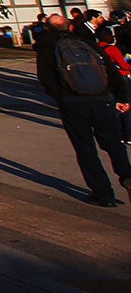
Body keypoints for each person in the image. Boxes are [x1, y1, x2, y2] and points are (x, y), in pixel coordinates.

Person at [33, 12, 131, 207]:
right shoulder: (87, 43)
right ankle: (127, 176)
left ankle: (103, 193)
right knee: (113, 143)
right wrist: (121, 97)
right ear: (69, 27)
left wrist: (61, 97)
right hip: (102, 98)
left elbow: (46, 79)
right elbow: (110, 71)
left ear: (47, 29)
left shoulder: (46, 49)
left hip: (73, 102)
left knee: (85, 147)